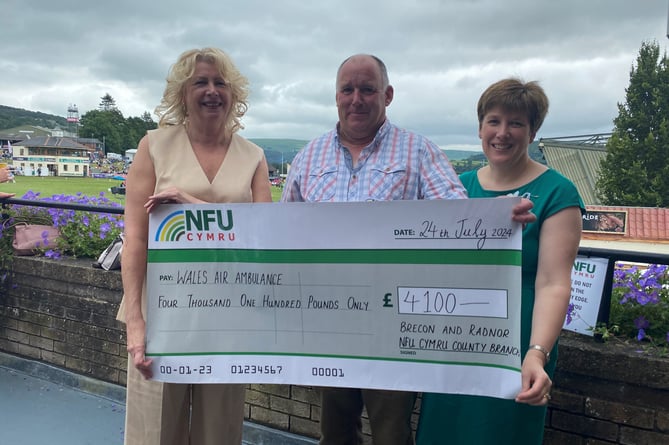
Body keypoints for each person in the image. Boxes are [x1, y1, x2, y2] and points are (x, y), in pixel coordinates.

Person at [281, 55, 534, 445]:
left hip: (394, 323)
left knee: (391, 432)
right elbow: (282, 235)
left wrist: (497, 217)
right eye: (348, 90)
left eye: (367, 90)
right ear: (336, 96)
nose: (357, 99)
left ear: (387, 95)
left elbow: (456, 214)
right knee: (334, 431)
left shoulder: (417, 151)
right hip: (327, 322)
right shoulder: (308, 157)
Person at [417, 78, 584, 445]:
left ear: (533, 131)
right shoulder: (457, 189)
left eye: (516, 123)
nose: (502, 133)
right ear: (480, 128)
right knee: (443, 432)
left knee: (500, 434)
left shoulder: (558, 193)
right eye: (493, 121)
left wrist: (536, 354)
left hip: (518, 339)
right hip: (452, 337)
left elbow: (553, 282)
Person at [118, 47, 272, 445]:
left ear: (234, 94)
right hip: (160, 317)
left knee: (218, 432)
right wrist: (135, 321)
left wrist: (193, 205)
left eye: (221, 83)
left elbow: (263, 239)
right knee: (154, 431)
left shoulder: (253, 157)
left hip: (228, 318)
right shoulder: (153, 146)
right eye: (200, 82)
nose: (211, 91)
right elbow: (134, 240)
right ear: (183, 93)